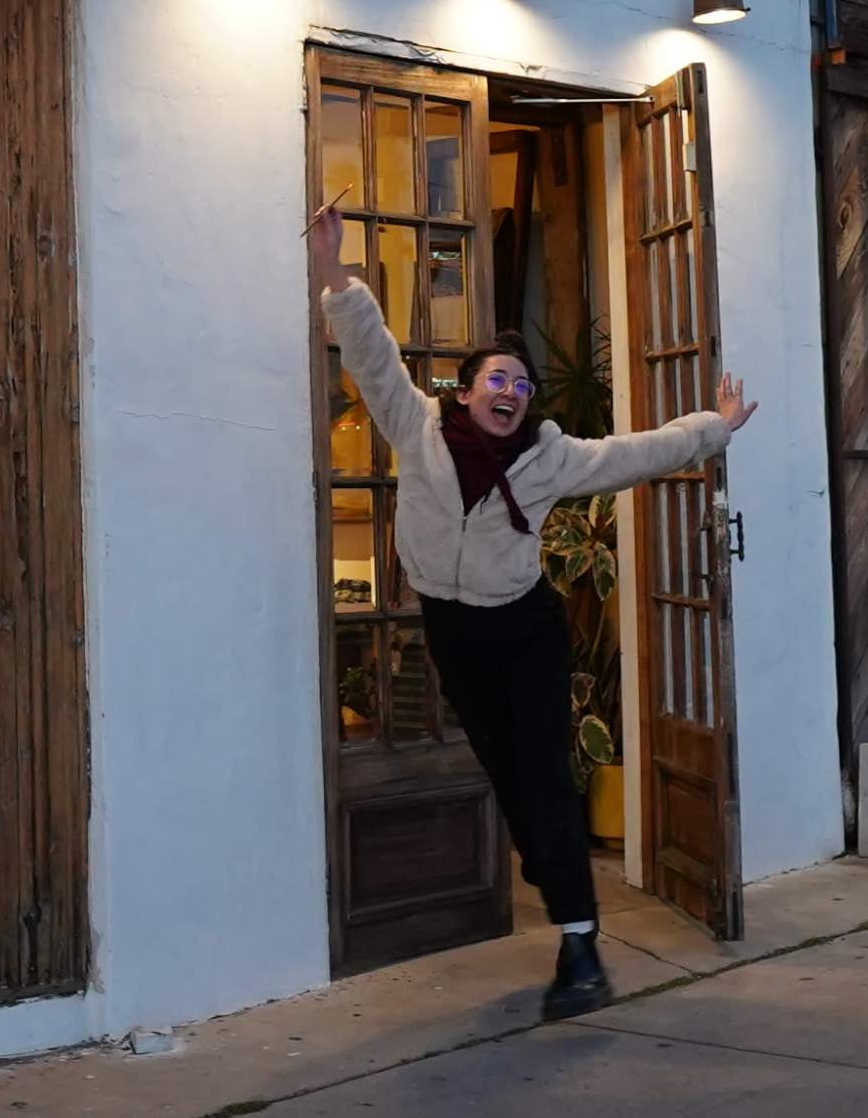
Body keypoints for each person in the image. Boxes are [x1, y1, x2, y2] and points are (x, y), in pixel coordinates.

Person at [312, 199, 754, 1020]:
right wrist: (334, 269)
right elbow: (371, 356)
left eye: (521, 384)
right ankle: (553, 872)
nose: (509, 392)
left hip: (524, 632)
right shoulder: (417, 429)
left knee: (545, 777)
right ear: (468, 391)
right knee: (509, 777)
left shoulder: (551, 458)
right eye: (497, 381)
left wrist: (713, 430)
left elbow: (635, 454)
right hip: (451, 629)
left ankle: (580, 947)